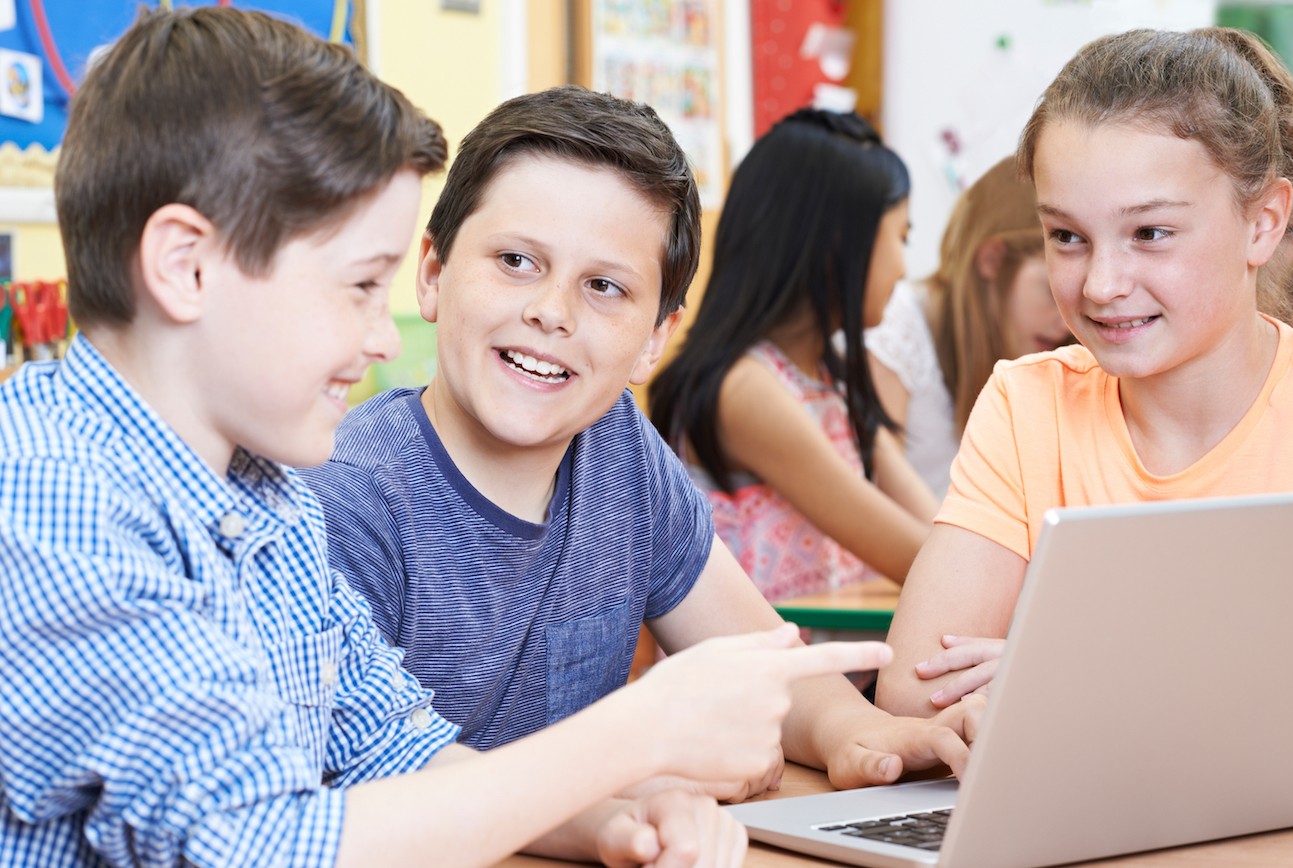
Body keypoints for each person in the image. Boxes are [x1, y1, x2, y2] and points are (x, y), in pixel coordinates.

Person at [0, 8, 905, 866]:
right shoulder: (52, 494)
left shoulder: (263, 497)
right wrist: (635, 736)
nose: (385, 337)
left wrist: (611, 816)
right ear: (186, 267)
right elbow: (254, 844)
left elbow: (395, 752)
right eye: (360, 287)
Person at [301, 89, 980, 800]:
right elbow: (359, 784)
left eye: (603, 286)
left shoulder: (619, 448)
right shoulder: (349, 498)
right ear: (434, 273)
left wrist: (856, 733)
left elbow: (755, 656)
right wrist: (619, 783)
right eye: (516, 261)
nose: (551, 312)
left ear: (656, 337)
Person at [875, 26, 1293, 719]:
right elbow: (916, 691)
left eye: (1150, 234)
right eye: (1067, 237)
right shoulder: (1027, 405)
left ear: (1264, 223)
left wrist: (1060, 672)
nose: (1101, 284)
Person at [647, 108, 937, 601]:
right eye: (901, 237)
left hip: (832, 669)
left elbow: (937, 533)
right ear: (839, 244)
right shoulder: (745, 389)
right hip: (759, 675)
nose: (903, 268)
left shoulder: (833, 380)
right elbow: (919, 557)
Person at [866, 155, 1071, 500]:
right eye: (1051, 291)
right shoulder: (894, 325)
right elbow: (881, 502)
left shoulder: (1034, 356)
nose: (1065, 320)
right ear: (991, 259)